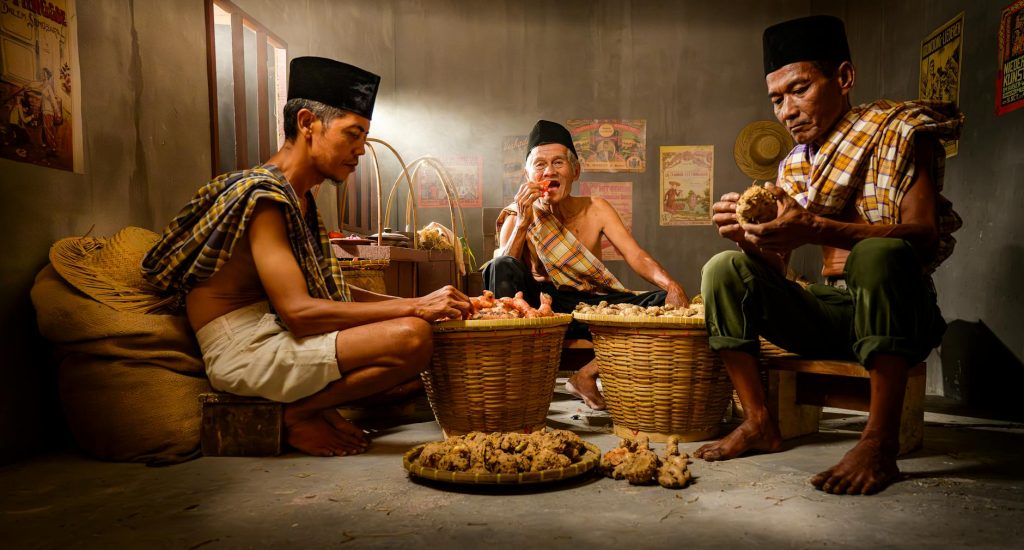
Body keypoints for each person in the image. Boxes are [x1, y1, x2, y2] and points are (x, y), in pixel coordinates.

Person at [142, 57, 472, 458]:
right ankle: (297, 414)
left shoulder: (301, 199)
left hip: (272, 331)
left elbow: (333, 294)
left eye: (364, 136)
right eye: (352, 134)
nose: (361, 150)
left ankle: (311, 408)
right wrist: (416, 308)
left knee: (420, 333)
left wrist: (423, 305)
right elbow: (299, 312)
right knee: (413, 339)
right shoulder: (265, 197)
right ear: (306, 123)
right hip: (243, 351)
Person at [696, 15, 964, 495]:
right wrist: (749, 239)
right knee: (723, 270)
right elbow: (778, 267)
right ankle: (760, 422)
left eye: (799, 89)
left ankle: (878, 444)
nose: (787, 111)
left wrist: (817, 226)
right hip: (833, 313)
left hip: (901, 311)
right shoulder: (796, 165)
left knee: (877, 254)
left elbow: (922, 234)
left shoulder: (900, 131)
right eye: (777, 99)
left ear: (843, 78)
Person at [484, 119, 689, 410]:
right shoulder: (516, 216)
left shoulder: (597, 208)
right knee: (499, 264)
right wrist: (523, 222)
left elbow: (635, 255)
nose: (549, 172)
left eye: (558, 163)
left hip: (590, 308)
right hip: (544, 310)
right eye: (539, 165)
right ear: (527, 174)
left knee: (661, 301)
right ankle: (508, 379)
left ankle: (586, 375)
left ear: (575, 171)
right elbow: (503, 271)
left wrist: (671, 285)